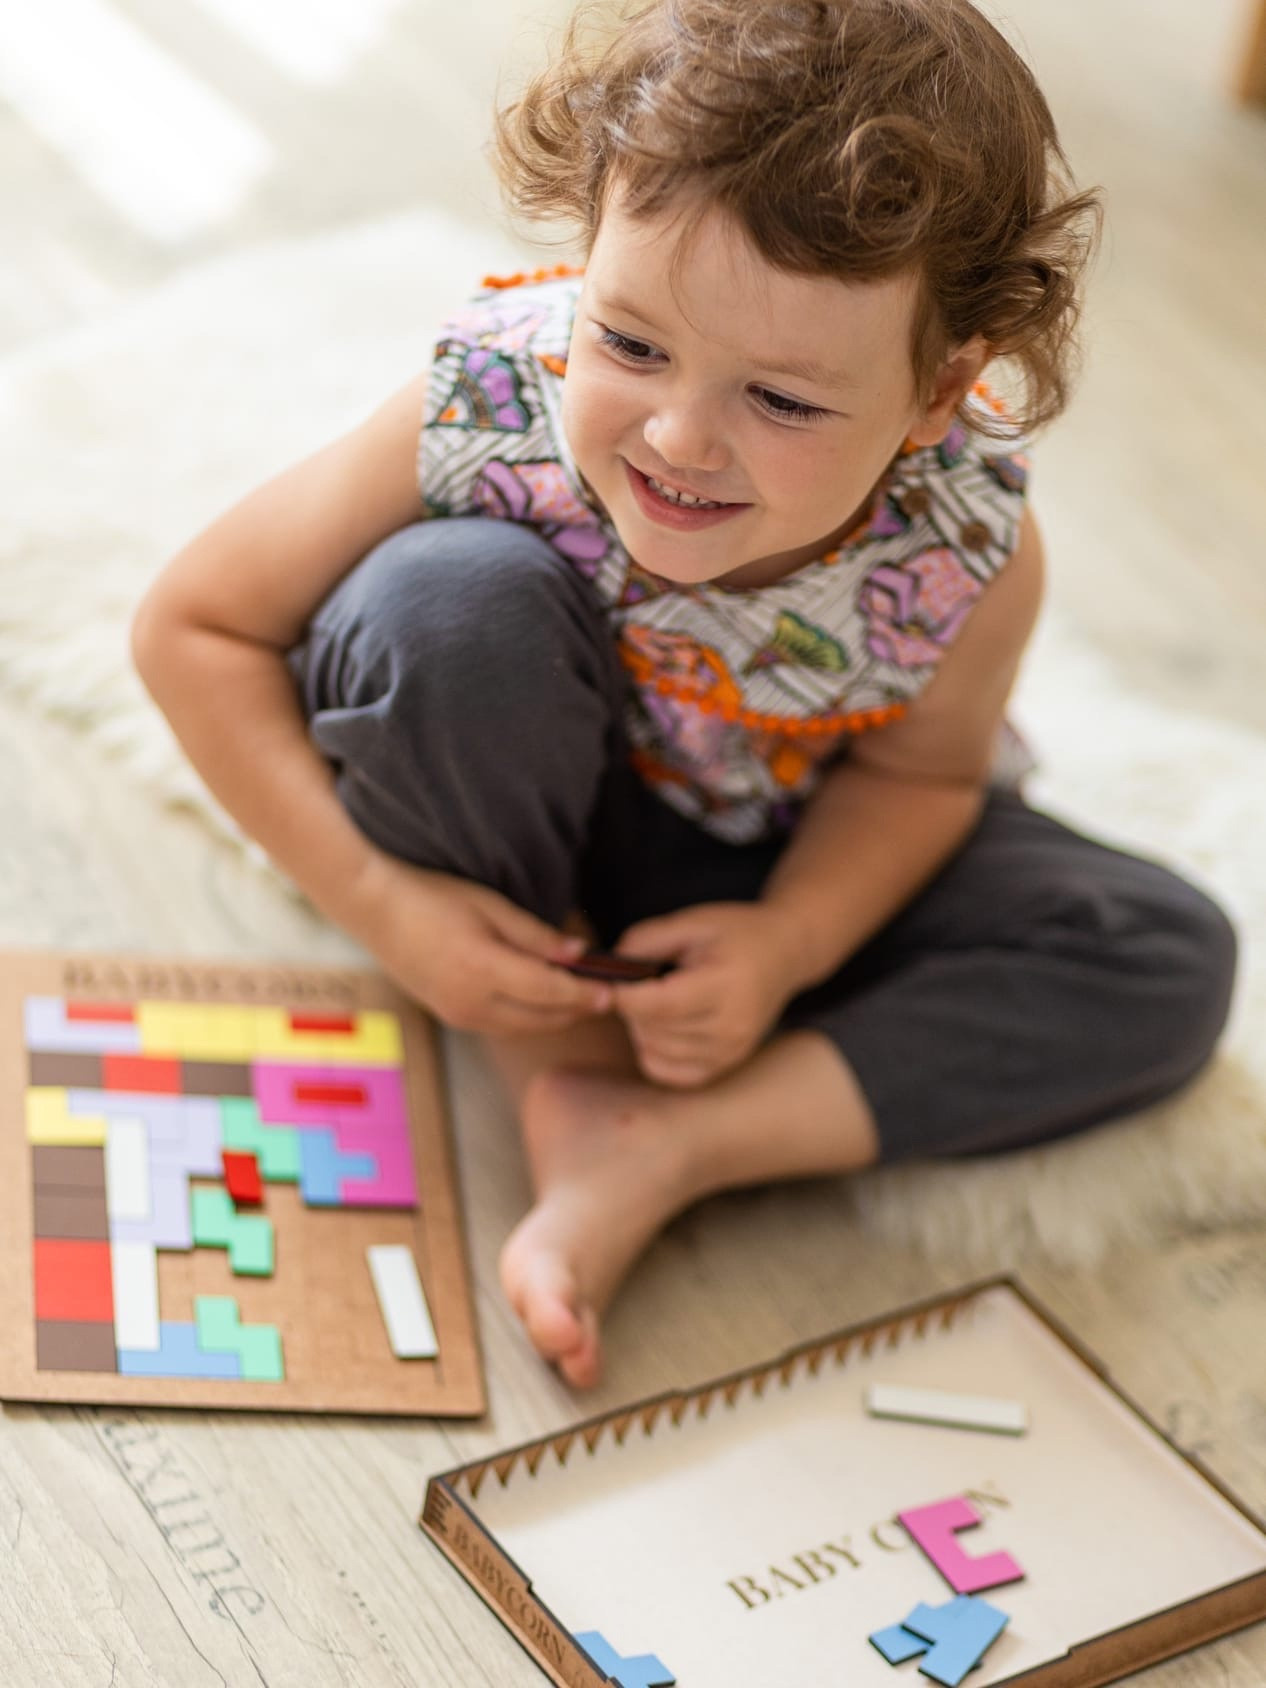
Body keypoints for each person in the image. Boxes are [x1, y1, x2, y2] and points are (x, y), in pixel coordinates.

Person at [132, 0, 1237, 1389]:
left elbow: (921, 781)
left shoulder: (968, 542)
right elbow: (195, 629)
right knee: (446, 608)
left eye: (782, 400)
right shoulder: (485, 403)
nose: (676, 439)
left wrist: (786, 944)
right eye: (632, 343)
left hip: (774, 834)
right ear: (582, 264)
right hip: (509, 787)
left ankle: (664, 1141)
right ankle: (540, 1047)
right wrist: (382, 909)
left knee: (1162, 957)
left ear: (934, 397)